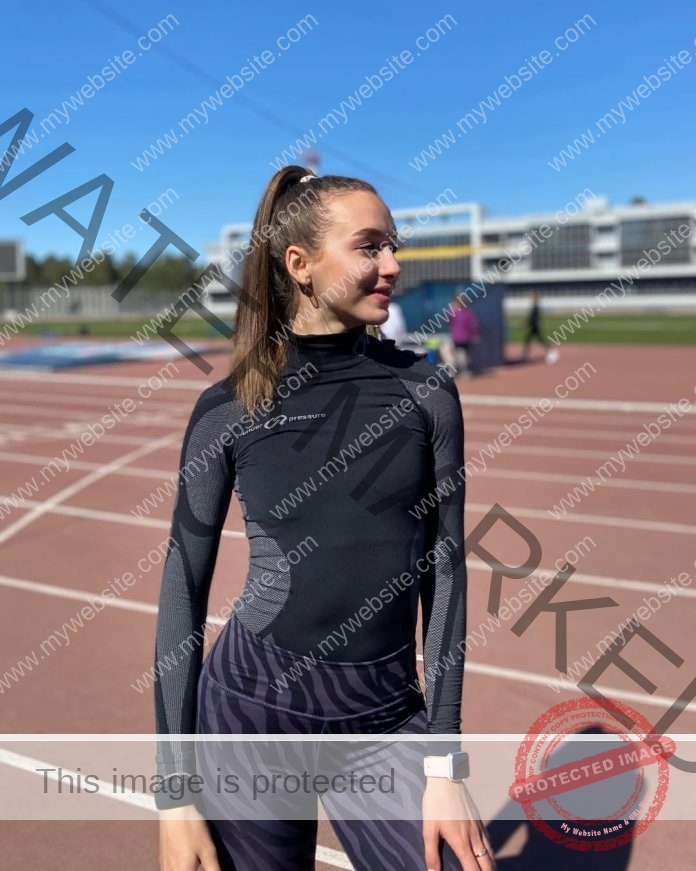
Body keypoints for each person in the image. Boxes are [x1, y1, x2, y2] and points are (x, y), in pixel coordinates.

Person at [154, 166, 494, 871]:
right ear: (300, 265)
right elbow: (182, 589)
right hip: (250, 709)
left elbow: (448, 569)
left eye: (392, 245)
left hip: (380, 711)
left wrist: (444, 764)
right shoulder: (227, 408)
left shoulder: (425, 391)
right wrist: (175, 791)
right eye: (370, 247)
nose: (393, 264)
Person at [523, 290, 559, 364]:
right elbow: (531, 317)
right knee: (528, 340)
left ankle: (552, 352)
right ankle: (525, 355)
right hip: (533, 326)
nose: (530, 297)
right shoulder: (534, 306)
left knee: (540, 339)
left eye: (532, 296)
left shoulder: (536, 306)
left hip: (535, 327)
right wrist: (527, 323)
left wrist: (532, 324)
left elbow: (535, 318)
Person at [448, 297, 480, 375]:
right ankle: (464, 370)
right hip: (465, 337)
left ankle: (456, 370)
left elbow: (448, 321)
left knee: (456, 353)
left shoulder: (455, 312)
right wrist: (475, 334)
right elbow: (473, 325)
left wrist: (451, 310)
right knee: (464, 354)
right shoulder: (468, 312)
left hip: (457, 337)